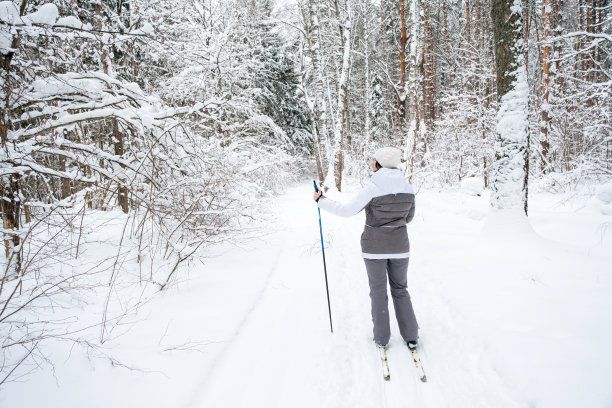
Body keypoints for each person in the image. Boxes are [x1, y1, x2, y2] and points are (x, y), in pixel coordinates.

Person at [312, 147, 419, 350]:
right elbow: (409, 218)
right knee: (401, 289)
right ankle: (411, 335)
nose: (371, 163)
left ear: (379, 164)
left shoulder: (373, 187)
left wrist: (321, 200)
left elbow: (346, 210)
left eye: (374, 161)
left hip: (374, 248)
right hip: (400, 247)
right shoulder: (408, 187)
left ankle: (382, 338)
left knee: (378, 291)